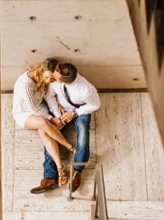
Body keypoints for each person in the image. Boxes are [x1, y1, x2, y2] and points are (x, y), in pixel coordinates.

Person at [12, 58, 75, 192]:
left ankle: (59, 169)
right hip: (24, 113)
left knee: (44, 131)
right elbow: (33, 108)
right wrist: (52, 119)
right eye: (47, 78)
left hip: (41, 108)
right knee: (43, 123)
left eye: (51, 79)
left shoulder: (46, 78)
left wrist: (56, 112)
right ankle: (68, 145)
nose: (48, 81)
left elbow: (46, 96)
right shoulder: (25, 83)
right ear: (40, 70)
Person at [45, 62, 100, 193]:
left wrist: (74, 113)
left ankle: (77, 171)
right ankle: (49, 176)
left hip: (78, 111)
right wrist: (58, 115)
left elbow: (95, 105)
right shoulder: (55, 78)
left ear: (66, 81)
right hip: (60, 111)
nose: (52, 77)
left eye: (56, 78)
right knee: (50, 133)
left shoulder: (87, 89)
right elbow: (49, 96)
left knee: (82, 132)